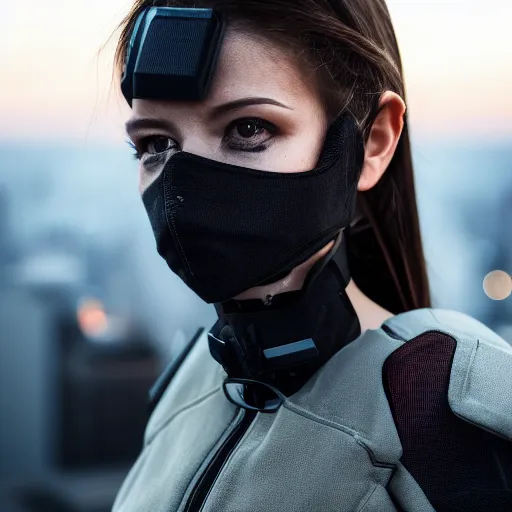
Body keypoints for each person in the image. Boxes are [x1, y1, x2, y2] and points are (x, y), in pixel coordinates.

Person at [112, 1, 512, 511]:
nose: (184, 189)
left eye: (248, 129)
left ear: (372, 142)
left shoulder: (448, 413)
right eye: (156, 143)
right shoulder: (187, 384)